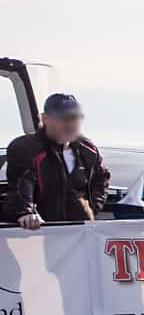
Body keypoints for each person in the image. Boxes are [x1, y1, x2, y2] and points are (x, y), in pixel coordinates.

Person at [4, 92, 109, 228]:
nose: (70, 124)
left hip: (82, 230)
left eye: (75, 118)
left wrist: (92, 208)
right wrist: (25, 213)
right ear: (45, 118)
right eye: (63, 118)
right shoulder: (26, 148)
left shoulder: (88, 149)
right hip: (39, 229)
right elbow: (21, 182)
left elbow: (101, 179)